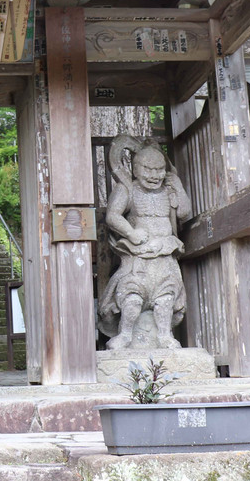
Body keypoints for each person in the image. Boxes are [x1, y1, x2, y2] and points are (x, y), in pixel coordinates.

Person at [98, 135, 192, 350]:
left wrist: (176, 184)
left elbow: (185, 213)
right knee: (131, 297)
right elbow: (113, 216)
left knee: (166, 297)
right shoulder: (127, 189)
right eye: (148, 169)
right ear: (135, 168)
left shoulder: (168, 190)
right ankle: (125, 335)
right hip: (137, 256)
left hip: (165, 255)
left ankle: (165, 336)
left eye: (159, 169)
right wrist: (130, 233)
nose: (154, 175)